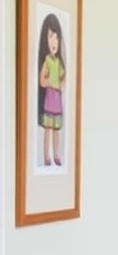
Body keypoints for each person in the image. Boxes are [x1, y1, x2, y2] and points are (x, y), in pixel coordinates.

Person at [37, 12, 66, 166]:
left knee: (56, 130)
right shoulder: (47, 60)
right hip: (49, 99)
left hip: (57, 101)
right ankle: (46, 156)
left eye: (56, 37)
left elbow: (63, 76)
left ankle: (56, 154)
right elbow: (42, 80)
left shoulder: (59, 62)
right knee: (48, 128)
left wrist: (61, 82)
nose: (54, 41)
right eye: (50, 36)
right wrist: (52, 83)